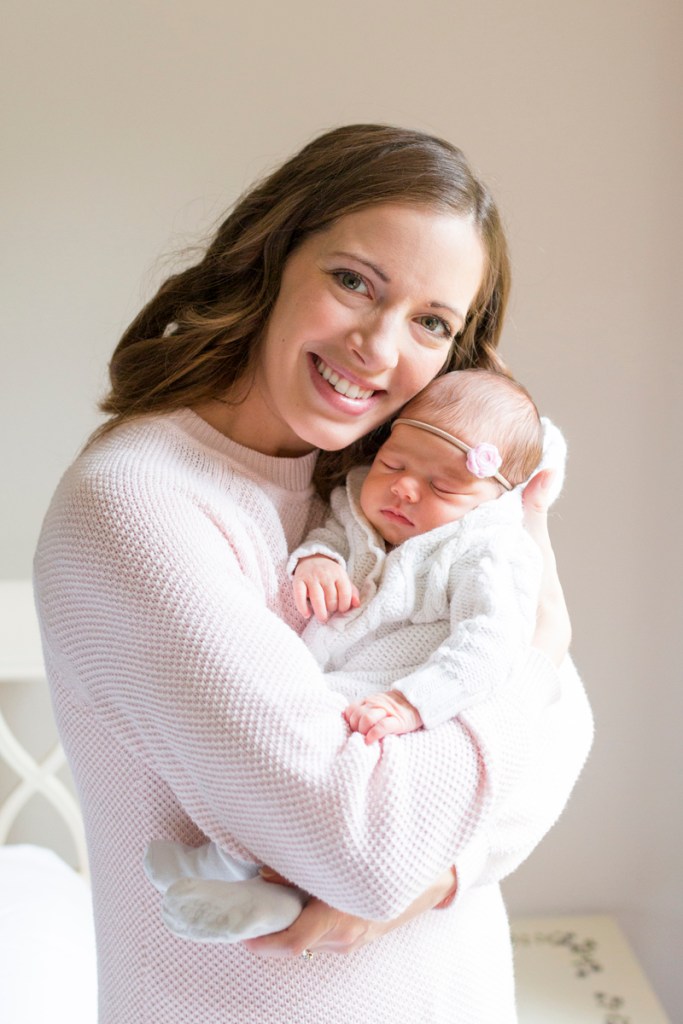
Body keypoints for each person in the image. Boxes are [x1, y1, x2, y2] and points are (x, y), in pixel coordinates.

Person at [33, 124, 593, 1024]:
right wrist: (540, 650)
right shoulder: (138, 508)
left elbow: (568, 735)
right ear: (272, 257)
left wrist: (445, 874)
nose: (378, 347)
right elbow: (365, 845)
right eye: (353, 281)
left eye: (431, 323)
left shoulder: (388, 490)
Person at [145, 367, 564, 946]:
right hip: (333, 681)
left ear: (497, 499)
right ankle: (231, 866)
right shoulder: (359, 501)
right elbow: (333, 535)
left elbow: (489, 650)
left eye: (443, 488)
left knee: (329, 794)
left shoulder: (488, 552)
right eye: (396, 464)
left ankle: (276, 897)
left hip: (406, 702)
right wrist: (316, 561)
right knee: (281, 761)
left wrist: (411, 703)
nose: (404, 489)